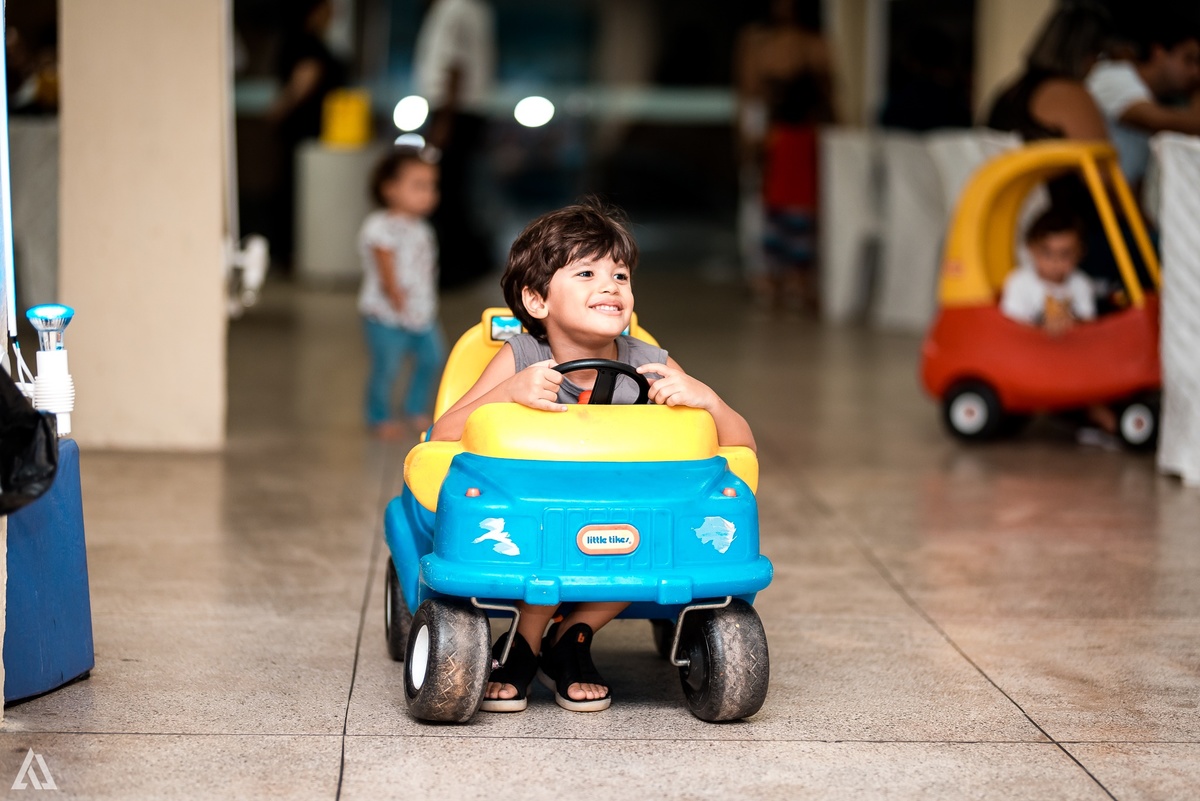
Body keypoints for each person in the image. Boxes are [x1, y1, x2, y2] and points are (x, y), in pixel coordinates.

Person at [429, 201, 756, 712]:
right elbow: (444, 433)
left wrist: (707, 400)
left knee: (664, 534)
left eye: (620, 275)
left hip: (630, 513)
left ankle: (573, 632)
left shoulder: (651, 364)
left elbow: (740, 445)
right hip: (538, 510)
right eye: (587, 273)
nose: (610, 286)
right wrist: (509, 392)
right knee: (549, 531)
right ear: (537, 300)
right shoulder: (522, 357)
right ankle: (533, 634)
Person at [734, 0, 835, 312]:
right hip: (773, 134)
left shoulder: (815, 44)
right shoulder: (756, 42)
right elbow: (748, 96)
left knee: (799, 212)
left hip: (800, 134)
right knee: (767, 209)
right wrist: (748, 137)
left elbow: (828, 95)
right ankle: (771, 279)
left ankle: (793, 281)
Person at [1000, 208, 1116, 435]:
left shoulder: (1081, 284)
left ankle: (1093, 407)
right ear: (1031, 249)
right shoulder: (1019, 283)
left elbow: (1089, 327)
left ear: (1079, 254)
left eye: (1065, 255)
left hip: (1069, 357)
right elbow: (1011, 330)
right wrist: (1043, 328)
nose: (1055, 263)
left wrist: (1072, 323)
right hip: (1031, 356)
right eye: (1047, 253)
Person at [358, 148, 445, 440]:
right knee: (388, 366)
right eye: (419, 186)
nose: (429, 194)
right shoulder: (380, 226)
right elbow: (385, 263)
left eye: (432, 186)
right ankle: (378, 415)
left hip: (421, 312)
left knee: (432, 358)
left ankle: (414, 407)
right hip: (386, 314)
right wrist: (394, 292)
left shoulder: (422, 229)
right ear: (390, 189)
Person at [414, 0, 496, 289]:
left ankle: (451, 268)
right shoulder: (478, 10)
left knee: (444, 190)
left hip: (452, 110)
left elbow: (454, 63)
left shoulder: (453, 8)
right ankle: (468, 263)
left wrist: (444, 120)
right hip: (466, 110)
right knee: (459, 189)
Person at [267, 0, 347, 272]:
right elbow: (303, 80)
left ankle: (292, 251)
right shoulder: (307, 43)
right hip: (307, 128)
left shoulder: (302, 41)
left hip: (311, 129)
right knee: (298, 190)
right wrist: (281, 108)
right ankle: (291, 252)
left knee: (295, 188)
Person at [1085, 12, 1200, 190]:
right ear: (1159, 52)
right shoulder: (1113, 75)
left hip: (1116, 200)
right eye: (1189, 60)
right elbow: (1166, 122)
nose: (1195, 73)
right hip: (1082, 196)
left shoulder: (1154, 100)